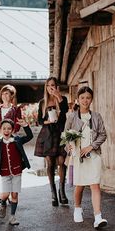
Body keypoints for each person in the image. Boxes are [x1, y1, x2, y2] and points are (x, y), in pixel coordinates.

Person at [64, 86, 107, 229]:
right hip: (78, 157)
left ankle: (98, 217)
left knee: (95, 185)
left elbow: (102, 134)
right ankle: (77, 208)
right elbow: (65, 136)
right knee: (80, 185)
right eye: (82, 98)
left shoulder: (96, 116)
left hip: (93, 155)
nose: (85, 100)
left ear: (91, 99)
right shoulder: (72, 117)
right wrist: (69, 146)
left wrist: (91, 146)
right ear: (78, 99)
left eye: (88, 97)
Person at [34, 77, 69, 206]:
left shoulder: (62, 99)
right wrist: (48, 121)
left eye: (53, 85)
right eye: (48, 86)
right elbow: (39, 120)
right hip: (48, 134)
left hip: (60, 133)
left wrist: (58, 96)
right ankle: (53, 194)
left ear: (56, 86)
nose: (51, 88)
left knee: (62, 162)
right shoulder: (42, 102)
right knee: (50, 164)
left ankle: (62, 192)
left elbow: (65, 110)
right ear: (46, 87)